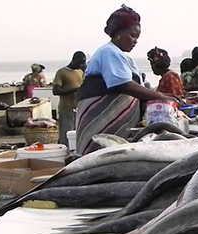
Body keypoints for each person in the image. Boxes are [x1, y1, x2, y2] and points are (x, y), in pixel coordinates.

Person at [75, 5, 177, 155]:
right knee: (100, 155)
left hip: (114, 123)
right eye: (132, 35)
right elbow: (124, 85)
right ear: (118, 33)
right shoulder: (109, 52)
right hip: (102, 119)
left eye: (137, 37)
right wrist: (160, 96)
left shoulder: (120, 55)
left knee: (111, 157)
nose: (135, 41)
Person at [53, 51, 86, 147]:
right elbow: (56, 90)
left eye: (83, 63)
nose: (81, 65)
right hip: (66, 109)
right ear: (74, 60)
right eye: (79, 62)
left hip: (78, 109)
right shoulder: (62, 72)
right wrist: (75, 89)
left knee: (76, 136)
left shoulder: (80, 72)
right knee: (66, 136)